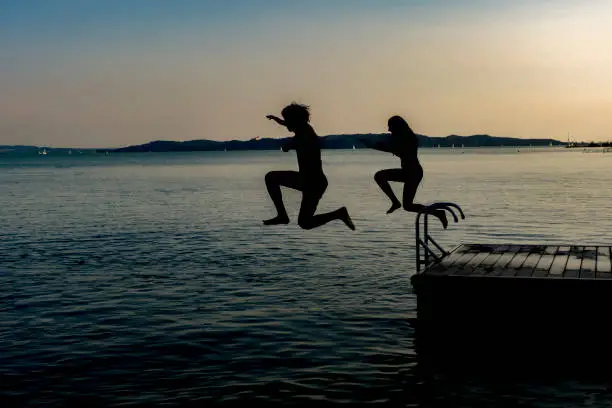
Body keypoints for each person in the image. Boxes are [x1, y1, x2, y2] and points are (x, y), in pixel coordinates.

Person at [263, 103, 355, 230]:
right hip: (315, 182)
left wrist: (288, 145)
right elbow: (288, 126)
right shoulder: (303, 128)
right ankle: (339, 214)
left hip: (311, 181)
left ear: (294, 120)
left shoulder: (304, 133)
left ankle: (282, 215)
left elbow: (294, 143)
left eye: (287, 120)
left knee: (271, 177)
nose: (286, 124)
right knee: (305, 223)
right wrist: (276, 119)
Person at [361, 115, 448, 228]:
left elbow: (392, 148)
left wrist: (372, 145)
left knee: (380, 176)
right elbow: (389, 146)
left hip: (413, 173)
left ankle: (396, 203)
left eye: (390, 126)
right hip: (408, 173)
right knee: (407, 206)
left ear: (397, 127)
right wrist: (372, 144)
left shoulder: (408, 139)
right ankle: (437, 213)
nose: (389, 129)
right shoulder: (402, 138)